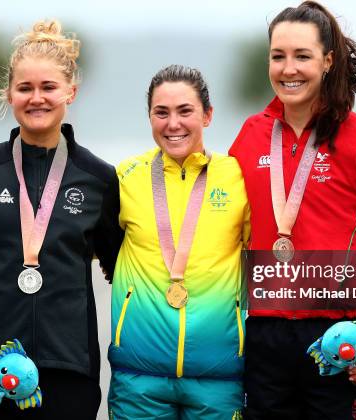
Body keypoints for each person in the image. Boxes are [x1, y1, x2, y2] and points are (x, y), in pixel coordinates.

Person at [228, 2, 356, 419]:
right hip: (265, 337)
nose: (288, 68)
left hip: (340, 338)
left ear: (328, 61)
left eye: (302, 56)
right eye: (278, 56)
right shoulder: (250, 136)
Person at [0, 20, 123, 419]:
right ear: (9, 94)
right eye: (25, 88)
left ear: (71, 92)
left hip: (69, 373)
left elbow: (121, 269)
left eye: (48, 87)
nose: (36, 98)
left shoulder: (99, 178)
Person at [108, 65, 250, 419]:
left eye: (185, 111)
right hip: (137, 378)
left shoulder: (237, 176)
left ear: (208, 115)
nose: (173, 124)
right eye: (161, 112)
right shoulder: (125, 176)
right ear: (150, 117)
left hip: (219, 377)